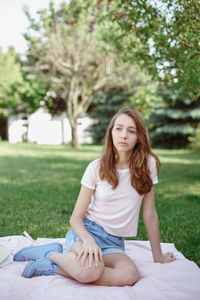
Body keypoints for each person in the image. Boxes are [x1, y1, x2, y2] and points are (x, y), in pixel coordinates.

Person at [14, 107, 175, 286]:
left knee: (129, 275)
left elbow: (150, 215)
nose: (124, 135)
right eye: (119, 128)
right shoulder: (96, 167)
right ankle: (51, 254)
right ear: (111, 133)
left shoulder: (148, 164)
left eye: (131, 131)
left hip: (114, 243)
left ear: (139, 137)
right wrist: (88, 241)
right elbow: (75, 218)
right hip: (87, 233)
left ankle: (53, 263)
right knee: (90, 270)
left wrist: (158, 257)